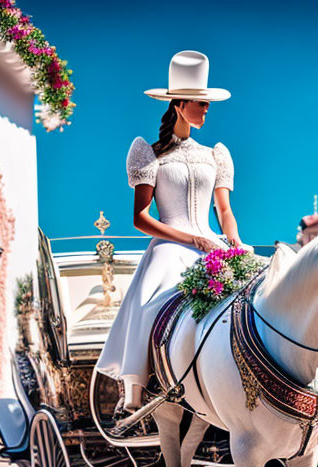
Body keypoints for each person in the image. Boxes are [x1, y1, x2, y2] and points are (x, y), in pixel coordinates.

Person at [96, 51, 249, 411]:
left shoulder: (217, 154)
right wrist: (190, 238)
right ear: (179, 104)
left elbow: (224, 210)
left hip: (214, 246)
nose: (207, 110)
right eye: (201, 103)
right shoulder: (148, 153)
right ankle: (136, 388)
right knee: (152, 302)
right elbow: (140, 218)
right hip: (170, 244)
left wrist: (235, 242)